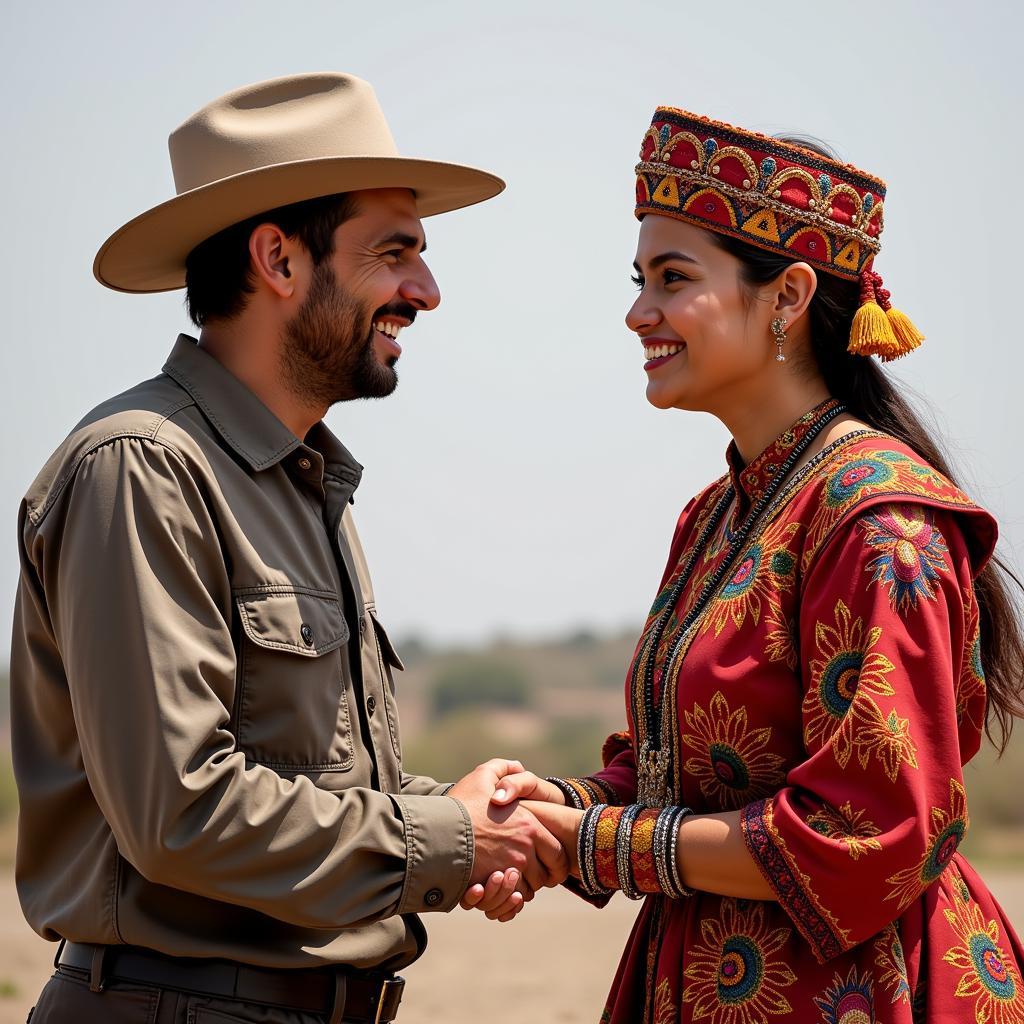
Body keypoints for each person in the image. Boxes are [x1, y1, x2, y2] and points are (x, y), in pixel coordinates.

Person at [10, 72, 567, 1024]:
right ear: (277, 257)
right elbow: (181, 816)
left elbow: (322, 785)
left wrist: (492, 820)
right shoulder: (142, 467)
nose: (425, 291)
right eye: (394, 253)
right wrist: (449, 838)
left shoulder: (302, 484)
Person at [489, 106, 1024, 1022]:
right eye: (639, 277)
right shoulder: (717, 516)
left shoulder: (879, 521)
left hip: (855, 992)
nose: (637, 311)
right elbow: (676, 775)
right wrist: (557, 805)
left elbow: (870, 829)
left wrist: (594, 843)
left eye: (673, 278)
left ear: (786, 297)